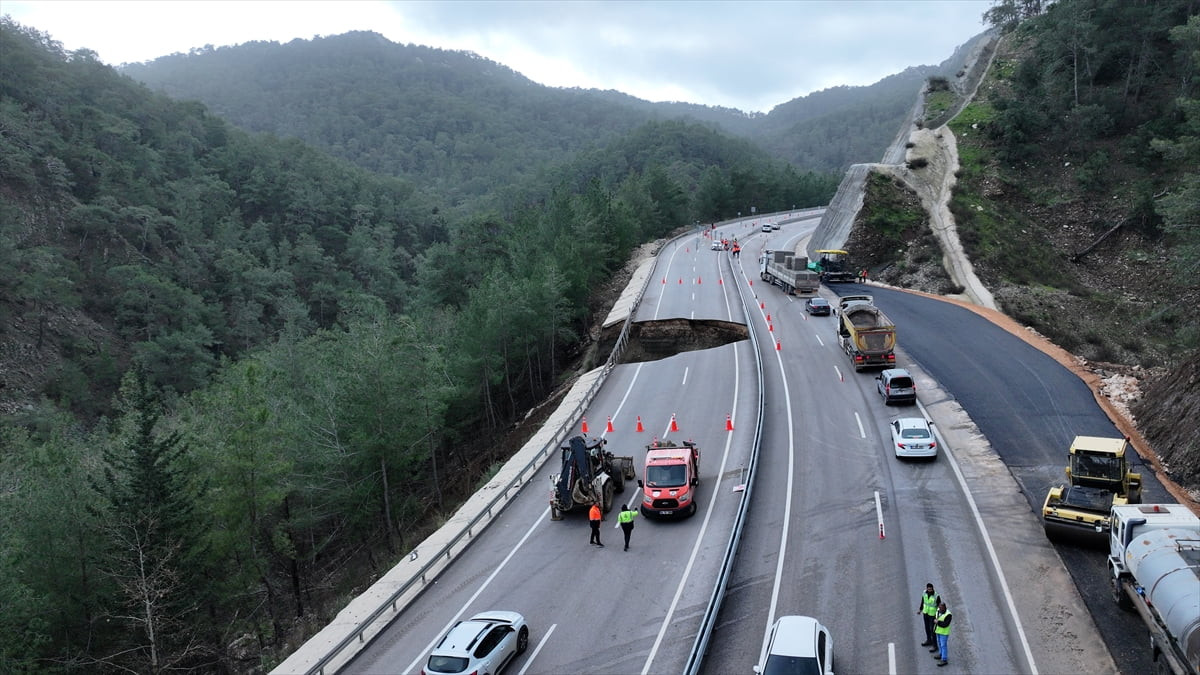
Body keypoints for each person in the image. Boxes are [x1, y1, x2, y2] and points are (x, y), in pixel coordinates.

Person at [932, 600, 952, 666]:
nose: (940, 609)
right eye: (939, 607)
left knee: (943, 645)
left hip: (944, 633)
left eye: (941, 608)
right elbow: (936, 617)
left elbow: (945, 624)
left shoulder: (948, 614)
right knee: (939, 643)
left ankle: (944, 659)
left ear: (945, 607)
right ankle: (941, 654)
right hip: (938, 631)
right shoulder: (938, 610)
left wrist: (938, 622)